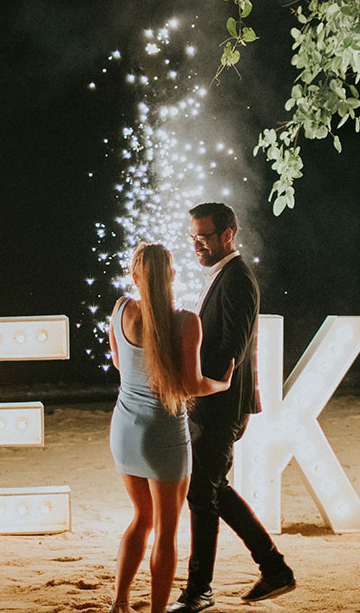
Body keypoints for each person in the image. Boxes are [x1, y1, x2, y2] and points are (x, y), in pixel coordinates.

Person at [170, 202, 295, 612]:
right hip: (212, 404)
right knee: (212, 491)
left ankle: (200, 591)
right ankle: (274, 569)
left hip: (220, 406)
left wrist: (197, 386)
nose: (196, 245)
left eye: (203, 237)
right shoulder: (224, 275)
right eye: (193, 238)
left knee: (202, 496)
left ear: (228, 234)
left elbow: (231, 351)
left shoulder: (238, 279)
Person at [108, 242, 234, 613]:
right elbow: (192, 386)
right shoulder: (185, 321)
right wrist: (221, 384)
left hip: (125, 429)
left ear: (135, 276)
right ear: (172, 276)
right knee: (166, 530)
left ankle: (119, 603)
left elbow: (119, 362)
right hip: (164, 436)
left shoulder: (119, 310)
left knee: (140, 518)